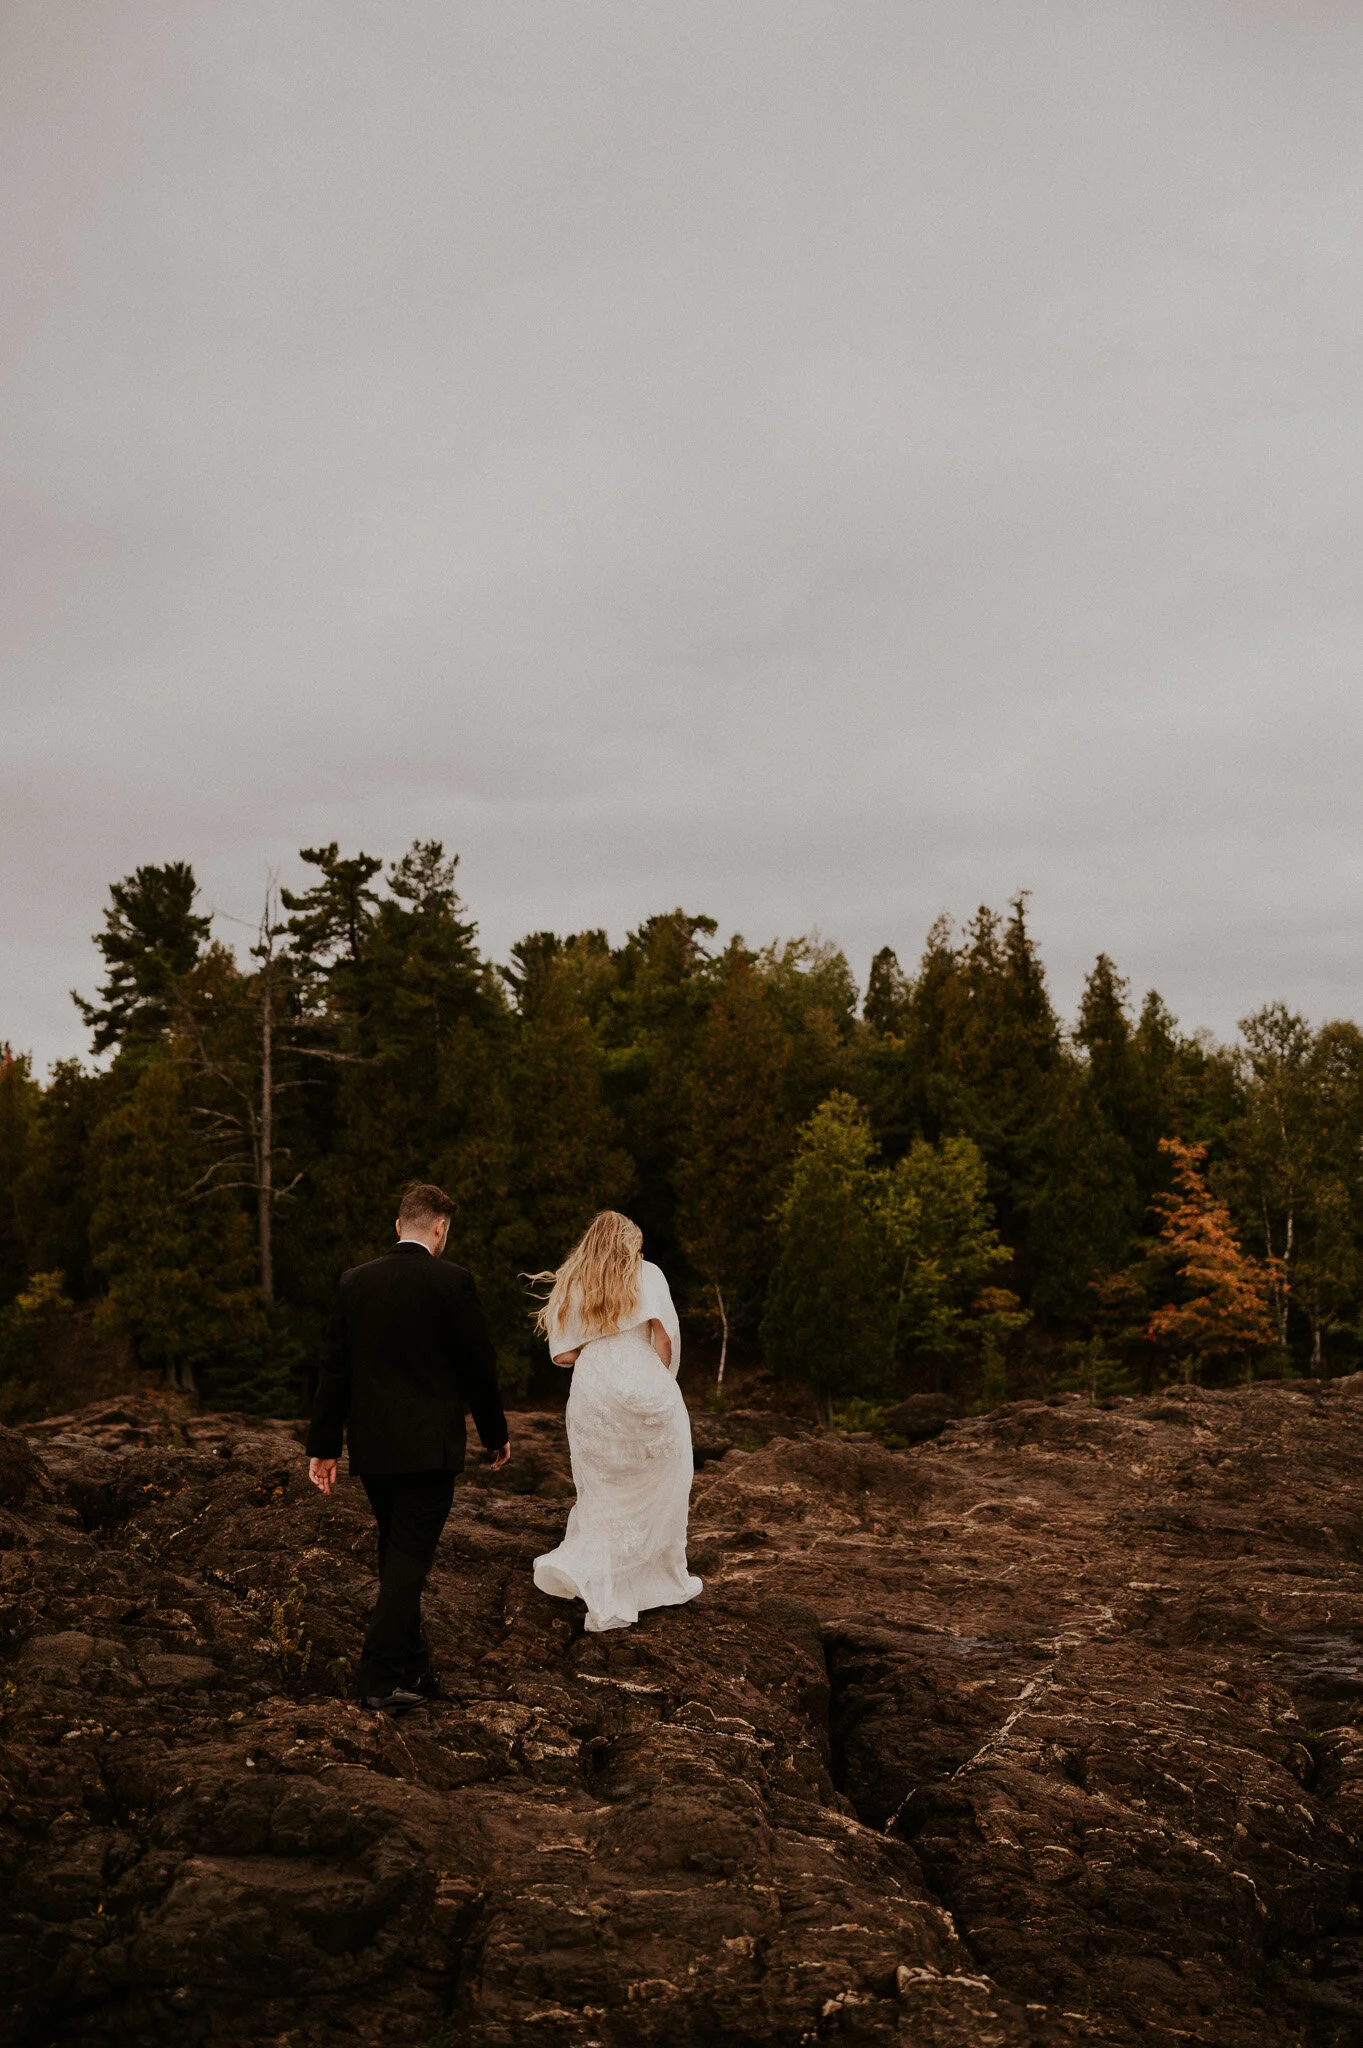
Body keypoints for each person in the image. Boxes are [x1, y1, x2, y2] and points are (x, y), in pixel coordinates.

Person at [306, 1181, 510, 1715]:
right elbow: (478, 1366)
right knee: (408, 1560)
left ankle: (414, 1667)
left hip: (373, 1449)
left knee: (397, 1553)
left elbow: (333, 1371)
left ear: (400, 1226)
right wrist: (494, 1434)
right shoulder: (452, 1281)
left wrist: (324, 1447)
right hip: (428, 1449)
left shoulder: (355, 1282)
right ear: (439, 1228)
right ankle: (378, 1676)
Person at [532, 1210, 702, 1633]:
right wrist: (657, 1381)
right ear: (630, 1245)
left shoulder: (574, 1280)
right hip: (645, 1382)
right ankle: (652, 1581)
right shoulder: (650, 1275)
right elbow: (665, 1338)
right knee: (661, 1478)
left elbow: (562, 1355)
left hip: (595, 1390)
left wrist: (597, 1346)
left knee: (604, 1489)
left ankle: (602, 1583)